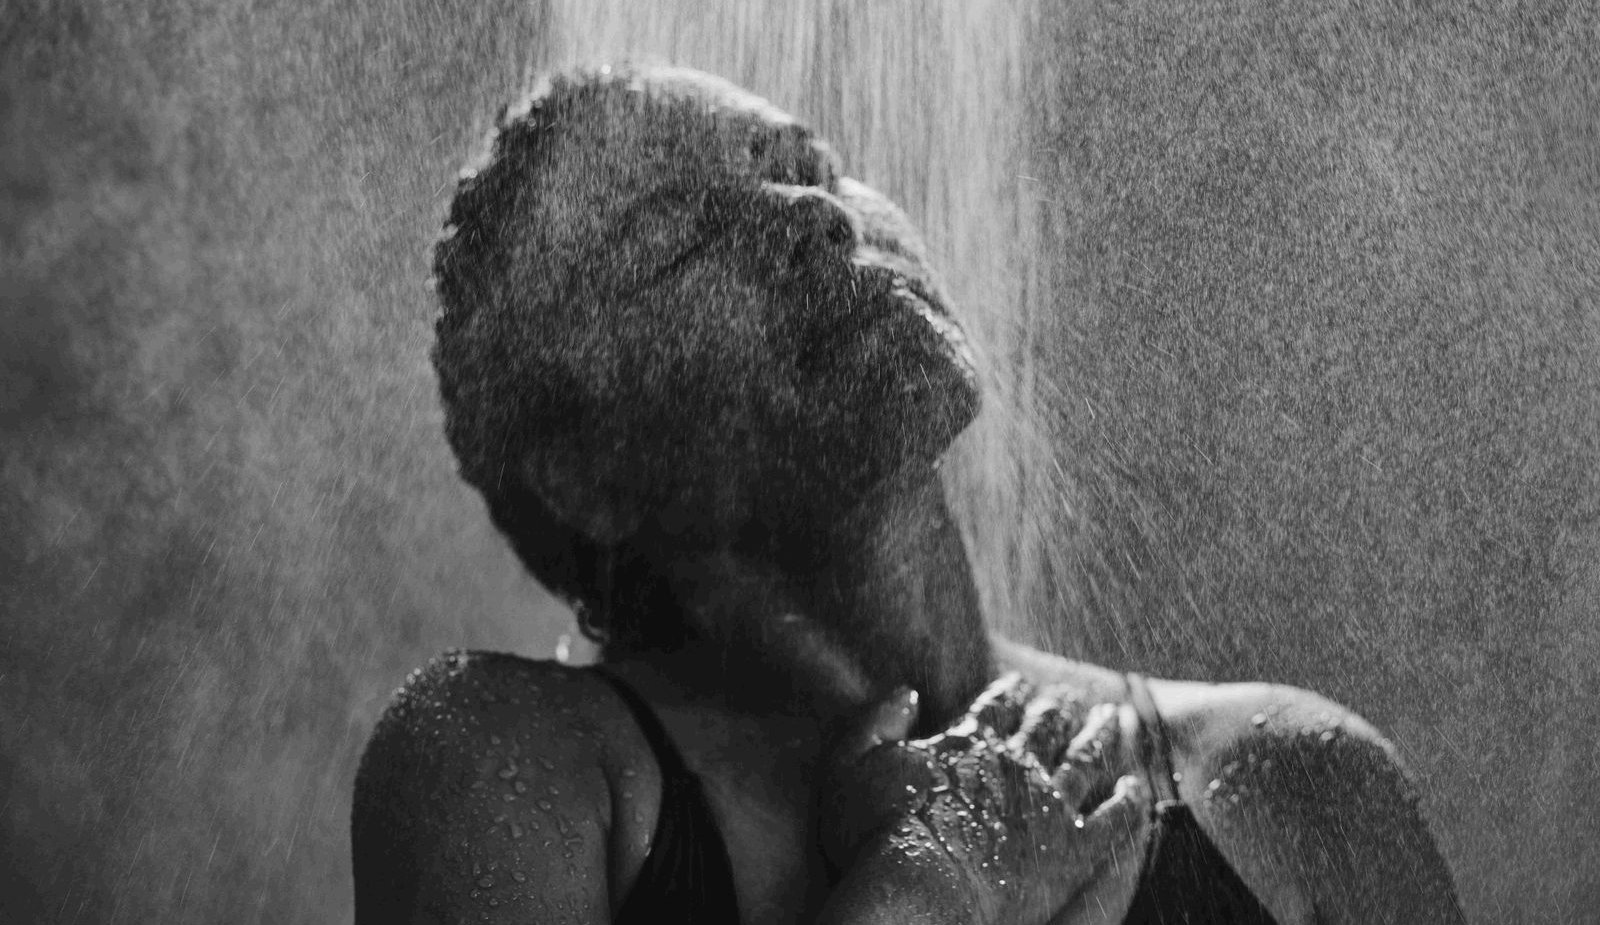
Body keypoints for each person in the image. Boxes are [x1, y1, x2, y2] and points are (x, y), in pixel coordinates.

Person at [351, 65, 1465, 924]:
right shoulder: (506, 761)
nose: (813, 219)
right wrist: (929, 892)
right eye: (682, 238)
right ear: (589, 474)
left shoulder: (1295, 787)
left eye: (806, 163)